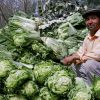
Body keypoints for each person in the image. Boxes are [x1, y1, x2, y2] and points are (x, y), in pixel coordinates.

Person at [61, 9, 100, 86]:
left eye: (93, 18)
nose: (90, 22)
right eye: (87, 19)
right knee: (73, 64)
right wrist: (73, 57)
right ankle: (84, 88)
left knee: (89, 64)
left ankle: (94, 90)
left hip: (95, 66)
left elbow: (97, 55)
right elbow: (81, 51)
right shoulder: (88, 37)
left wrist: (79, 58)